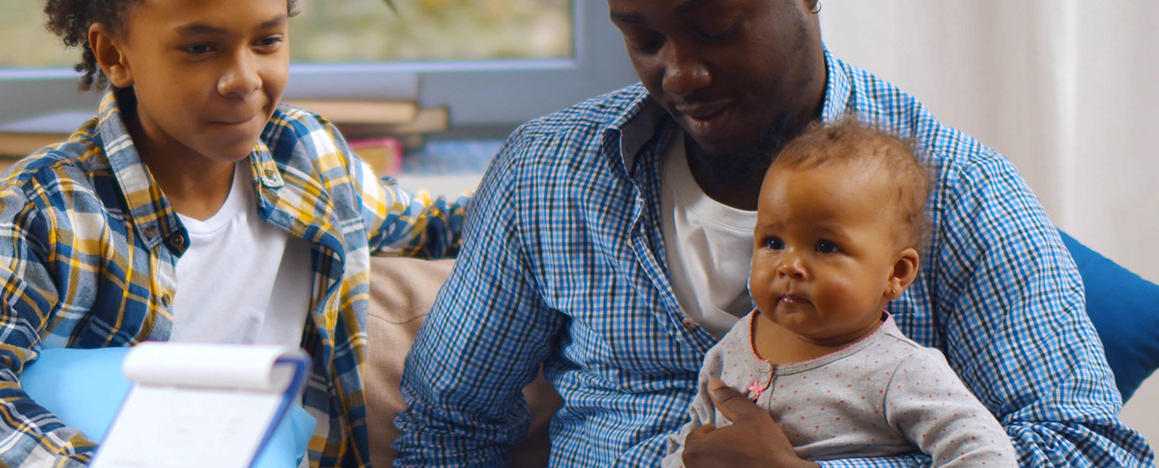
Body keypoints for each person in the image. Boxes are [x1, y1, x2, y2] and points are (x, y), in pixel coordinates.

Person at [393, 0, 1152, 465]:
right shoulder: (546, 176)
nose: (679, 73)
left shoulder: (964, 193)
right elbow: (447, 424)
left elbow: (1087, 453)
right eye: (643, 36)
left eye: (715, 28)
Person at [0, 0, 468, 466]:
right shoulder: (50, 206)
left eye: (267, 41)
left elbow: (434, 225)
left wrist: (543, 189)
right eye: (200, 48)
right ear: (114, 54)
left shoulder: (309, 157)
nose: (244, 79)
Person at [661, 120, 1014, 467]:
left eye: (825, 246)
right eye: (773, 242)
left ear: (896, 273)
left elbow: (985, 455)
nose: (790, 265)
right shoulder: (737, 342)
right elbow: (692, 439)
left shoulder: (905, 371)